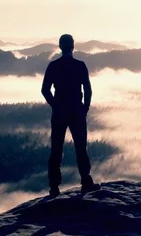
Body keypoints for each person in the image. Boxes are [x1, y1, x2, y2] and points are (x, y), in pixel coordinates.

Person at [41, 34, 100, 196]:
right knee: (81, 147)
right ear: (73, 46)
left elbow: (45, 90)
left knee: (56, 149)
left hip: (60, 111)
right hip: (76, 110)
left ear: (60, 46)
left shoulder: (53, 66)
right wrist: (85, 108)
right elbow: (87, 89)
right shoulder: (80, 66)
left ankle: (54, 187)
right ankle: (86, 181)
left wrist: (55, 105)